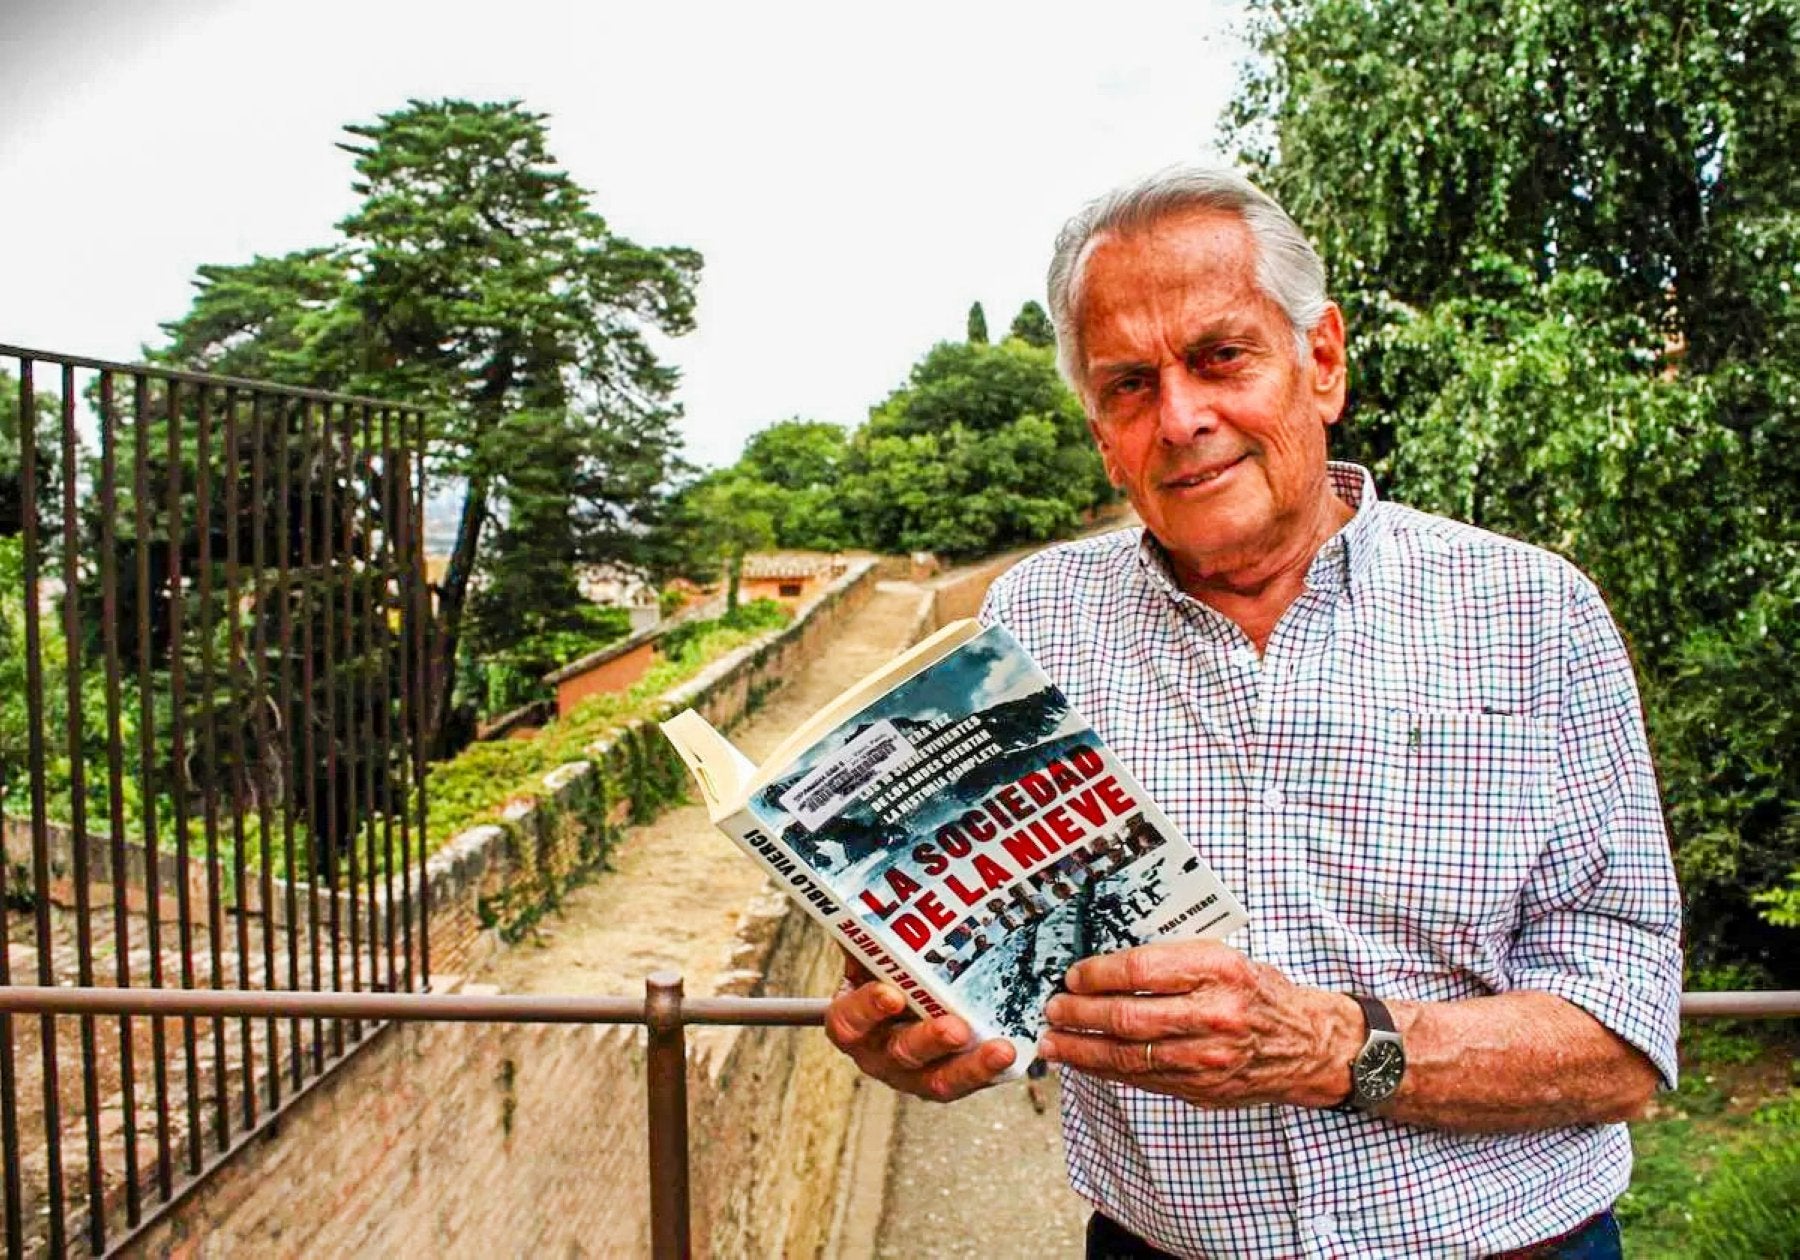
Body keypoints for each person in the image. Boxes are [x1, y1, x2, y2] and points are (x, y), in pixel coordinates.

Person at [823, 167, 1683, 1259]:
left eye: (1220, 356)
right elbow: (999, 958)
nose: (1181, 418)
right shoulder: (1030, 618)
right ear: (1101, 433)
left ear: (1321, 363)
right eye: (1129, 384)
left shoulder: (1531, 611)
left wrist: (1329, 1048)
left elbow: (1623, 1038)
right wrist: (922, 1017)